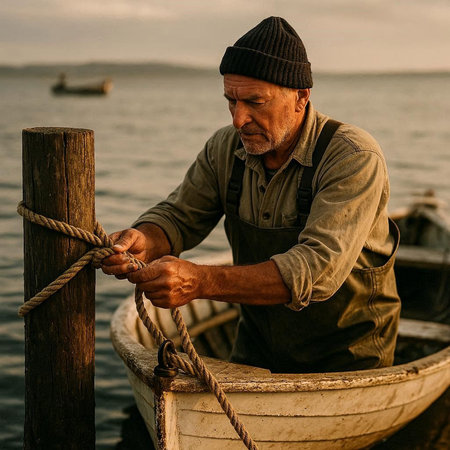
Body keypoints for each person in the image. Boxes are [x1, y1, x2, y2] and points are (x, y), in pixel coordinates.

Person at [102, 17, 401, 373]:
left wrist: (200, 281)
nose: (238, 119)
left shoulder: (353, 157)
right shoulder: (225, 148)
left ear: (301, 97)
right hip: (257, 348)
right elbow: (180, 216)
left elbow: (315, 271)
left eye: (255, 102)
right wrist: (143, 239)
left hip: (349, 354)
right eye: (231, 101)